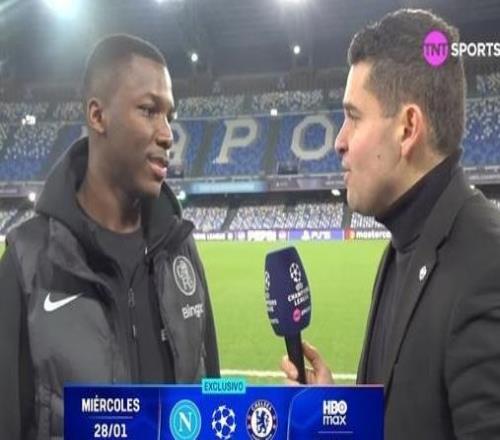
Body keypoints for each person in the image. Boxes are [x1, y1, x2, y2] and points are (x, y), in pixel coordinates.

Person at [282, 9, 500, 439]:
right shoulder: (403, 246)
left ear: (407, 128)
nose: (338, 141)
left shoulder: (487, 267)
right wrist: (338, 413)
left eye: (353, 116)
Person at [0, 34, 219, 439]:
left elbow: (211, 406)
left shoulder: (181, 251)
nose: (168, 134)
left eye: (169, 115)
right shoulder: (28, 263)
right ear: (98, 116)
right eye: (149, 110)